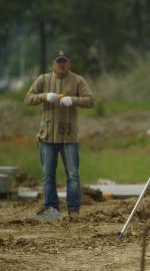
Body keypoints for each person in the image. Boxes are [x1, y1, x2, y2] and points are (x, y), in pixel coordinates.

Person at [25, 51, 94, 220]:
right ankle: (51, 208)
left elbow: (90, 100)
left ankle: (74, 209)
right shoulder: (43, 79)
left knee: (73, 174)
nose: (61, 64)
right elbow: (28, 98)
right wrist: (45, 96)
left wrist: (73, 100)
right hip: (47, 137)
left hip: (69, 136)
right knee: (48, 175)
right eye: (58, 61)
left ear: (68, 63)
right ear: (53, 63)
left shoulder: (78, 80)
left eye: (64, 61)